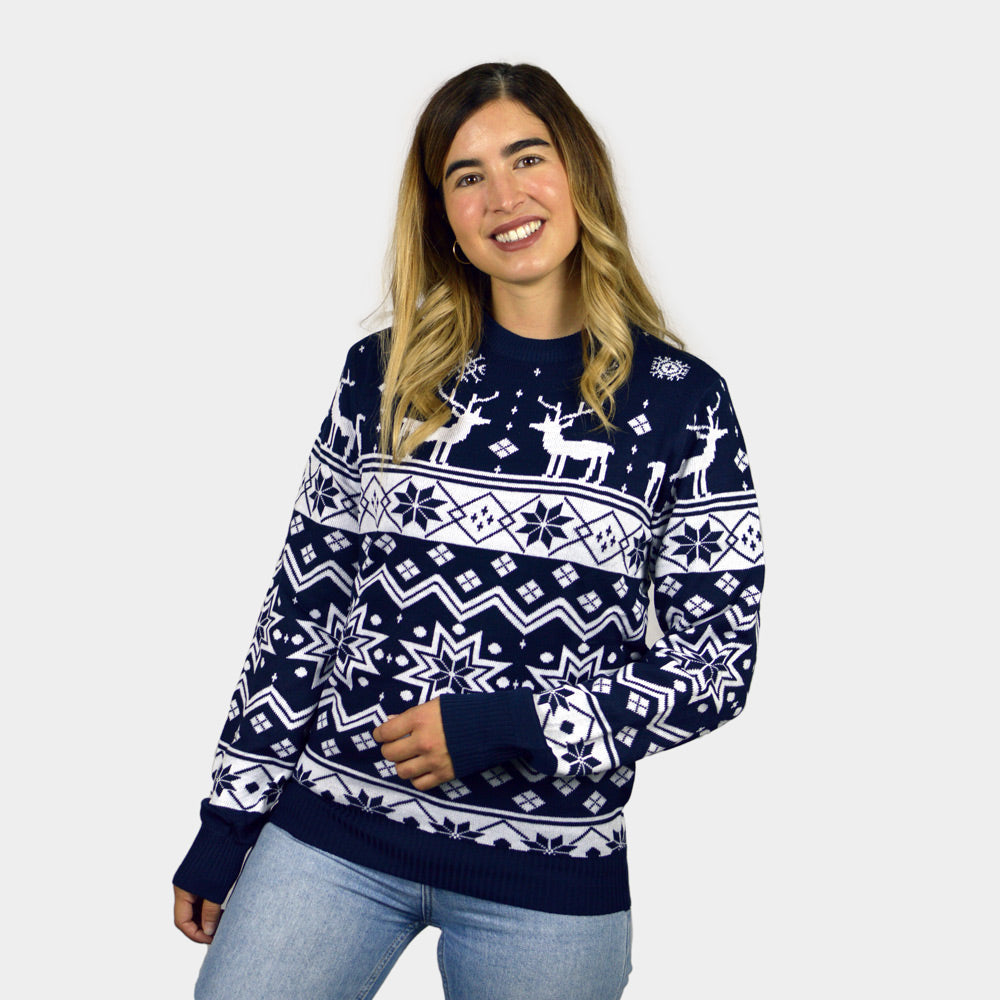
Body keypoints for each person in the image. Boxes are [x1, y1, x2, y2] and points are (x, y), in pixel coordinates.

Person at [173, 62, 765, 1000]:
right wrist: (229, 818)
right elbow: (303, 608)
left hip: (547, 876)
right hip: (334, 834)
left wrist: (510, 725)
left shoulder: (682, 404)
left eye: (528, 159)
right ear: (442, 213)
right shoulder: (384, 374)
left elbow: (715, 667)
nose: (503, 198)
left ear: (578, 175)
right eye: (467, 176)